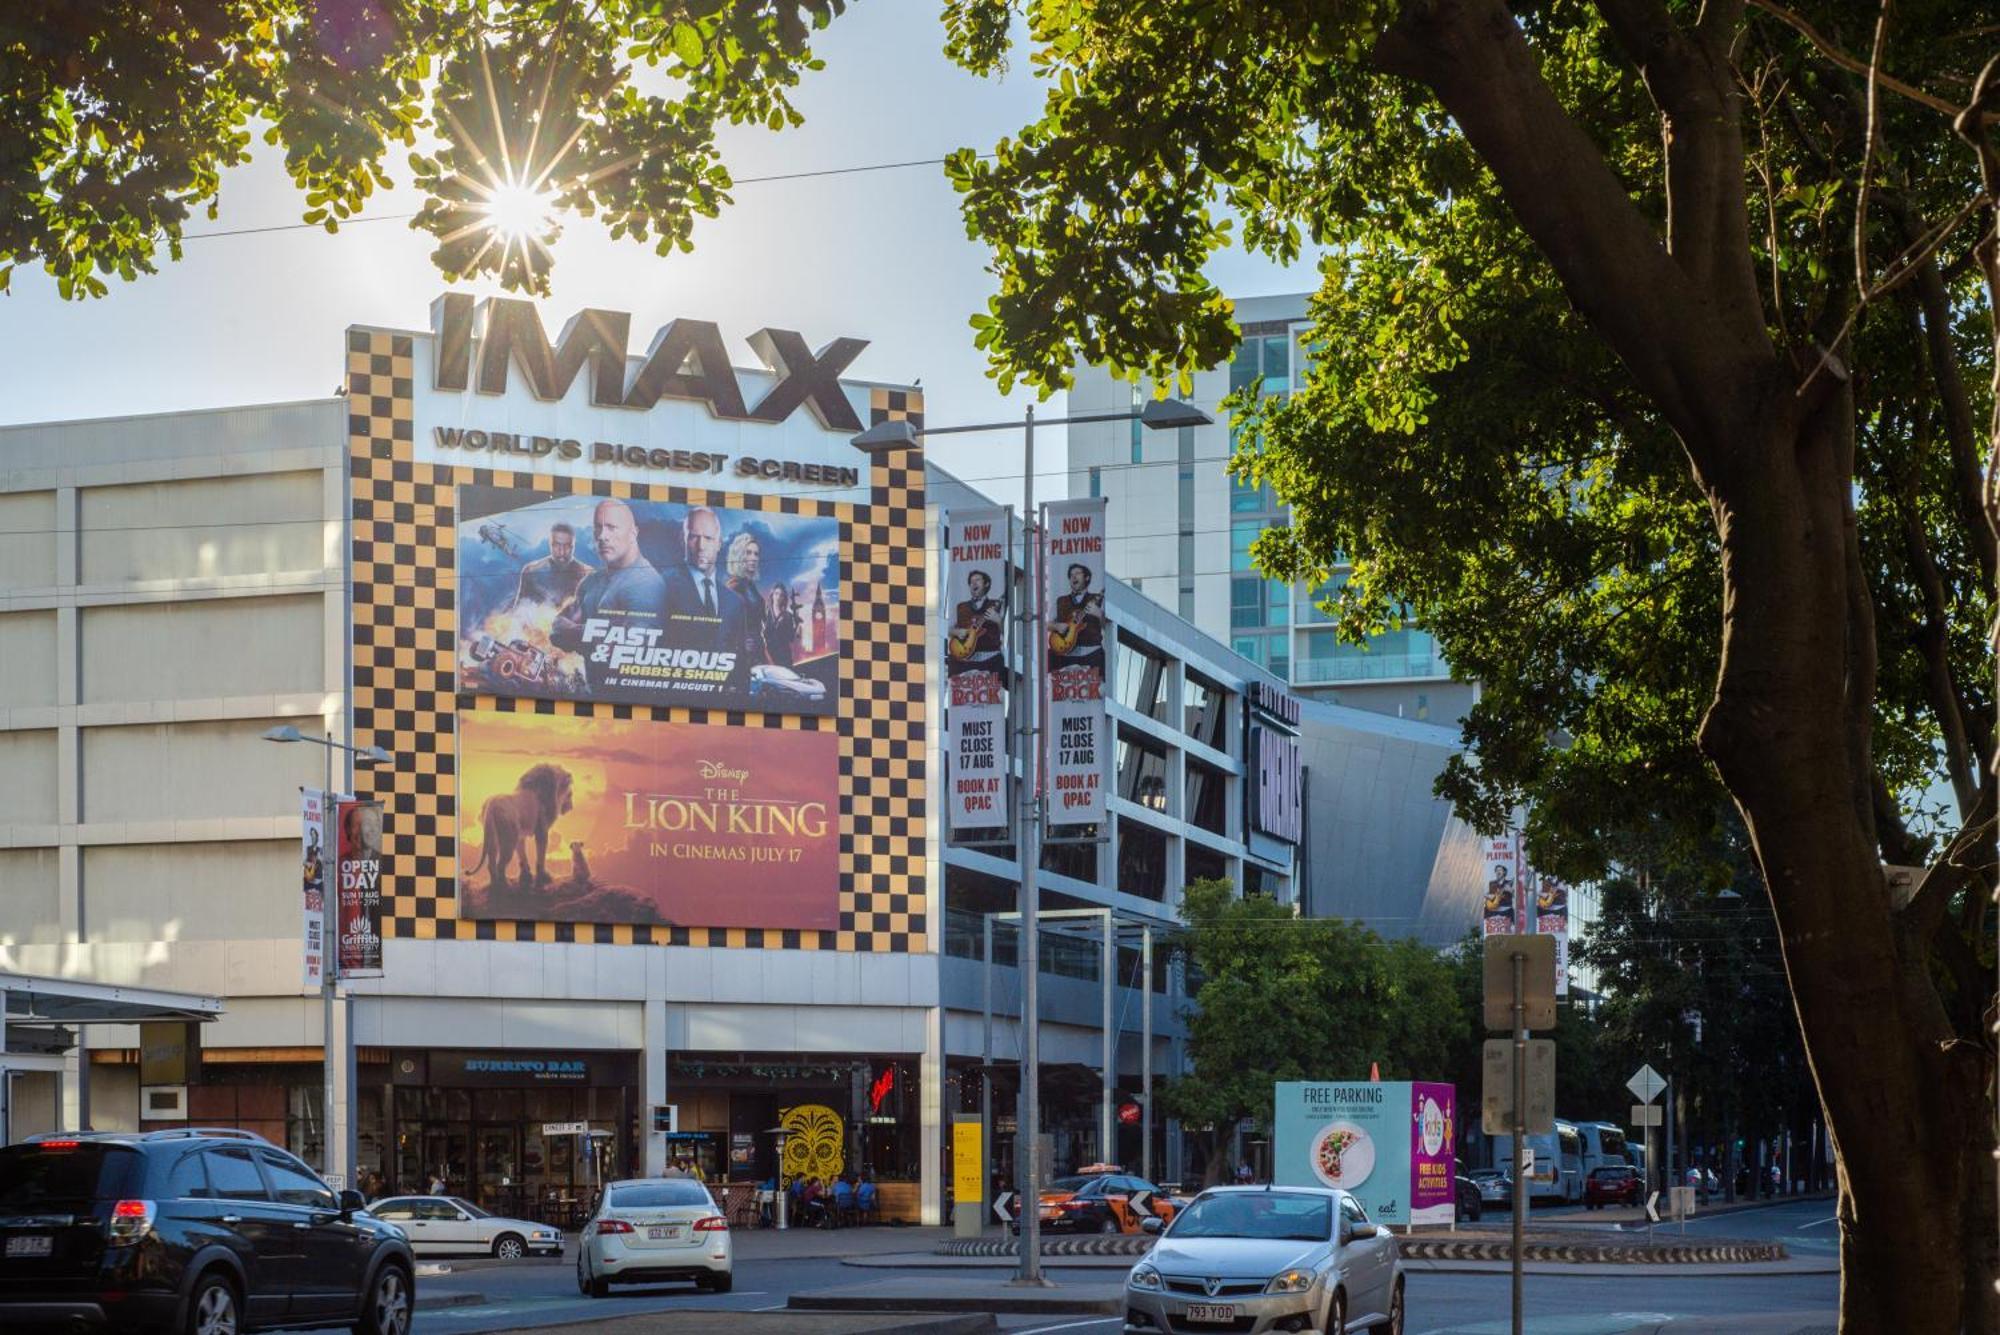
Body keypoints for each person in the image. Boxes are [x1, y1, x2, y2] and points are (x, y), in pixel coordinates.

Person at [549, 499, 668, 690]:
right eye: (598, 527)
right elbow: (556, 629)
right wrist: (600, 633)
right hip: (593, 700)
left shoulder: (647, 584)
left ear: (633, 533)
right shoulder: (591, 582)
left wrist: (577, 631)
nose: (602, 536)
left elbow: (630, 651)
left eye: (612, 527)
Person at [662, 506, 744, 652]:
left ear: (718, 544)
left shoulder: (733, 602)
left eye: (708, 538)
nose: (701, 546)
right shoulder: (662, 586)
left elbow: (738, 659)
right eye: (694, 537)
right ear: (683, 540)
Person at [510, 520, 592, 611]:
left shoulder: (588, 574)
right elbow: (517, 611)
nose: (562, 552)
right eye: (557, 546)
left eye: (567, 546)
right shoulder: (531, 571)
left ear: (573, 545)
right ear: (550, 544)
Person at [946, 568, 1006, 679]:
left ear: (986, 584)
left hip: (990, 659)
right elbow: (948, 629)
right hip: (962, 659)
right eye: (971, 582)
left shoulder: (996, 605)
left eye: (977, 580)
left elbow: (1006, 633)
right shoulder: (961, 607)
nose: (973, 583)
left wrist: (997, 620)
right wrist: (958, 632)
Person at [1047, 562, 1105, 673]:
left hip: (1092, 653)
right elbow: (1044, 624)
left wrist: (1098, 613)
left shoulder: (1098, 599)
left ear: (1087, 577)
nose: (1073, 576)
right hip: (1063, 652)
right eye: (1071, 575)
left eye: (1077, 573)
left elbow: (1108, 626)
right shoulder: (1060, 601)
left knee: (1100, 684)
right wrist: (1057, 626)